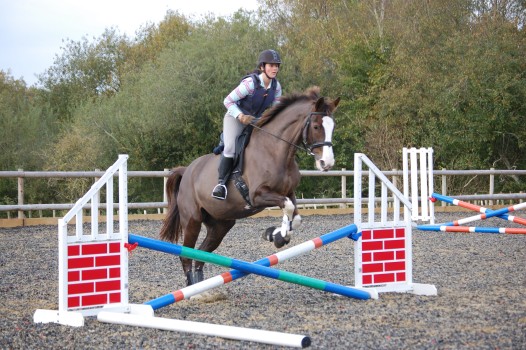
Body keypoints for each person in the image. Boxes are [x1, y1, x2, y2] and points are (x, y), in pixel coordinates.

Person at [212, 49, 283, 200]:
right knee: (231, 147)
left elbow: (276, 110)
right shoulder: (250, 84)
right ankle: (221, 185)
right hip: (235, 118)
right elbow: (227, 101)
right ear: (262, 67)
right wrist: (240, 115)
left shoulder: (276, 87)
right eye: (271, 65)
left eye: (277, 65)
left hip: (256, 121)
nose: (275, 68)